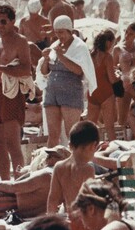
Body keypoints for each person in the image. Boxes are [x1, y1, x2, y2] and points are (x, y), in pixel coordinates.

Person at [0, 5, 32, 180]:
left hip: (11, 94)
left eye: (3, 21)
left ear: (12, 21)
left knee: (12, 143)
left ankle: (19, 182)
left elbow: (26, 69)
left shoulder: (20, 41)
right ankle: (4, 183)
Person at [0, 145, 70, 219]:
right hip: (17, 211)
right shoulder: (64, 181)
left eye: (54, 156)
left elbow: (15, 187)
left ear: (62, 160)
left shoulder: (47, 174)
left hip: (8, 201)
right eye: (49, 155)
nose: (49, 158)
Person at [40, 15, 96, 147]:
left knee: (72, 133)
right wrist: (46, 59)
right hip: (52, 91)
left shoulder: (79, 47)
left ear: (69, 31)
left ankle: (75, 163)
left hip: (70, 91)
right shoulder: (55, 45)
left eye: (62, 32)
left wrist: (61, 56)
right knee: (53, 135)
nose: (59, 35)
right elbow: (44, 71)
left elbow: (78, 70)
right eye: (57, 32)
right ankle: (52, 162)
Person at [47, 121, 99, 230]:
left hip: (70, 222)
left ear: (70, 145)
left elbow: (53, 199)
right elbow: (90, 201)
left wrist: (50, 225)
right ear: (93, 146)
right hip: (85, 224)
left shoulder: (59, 167)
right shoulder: (88, 169)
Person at [87, 30, 117, 141]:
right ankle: (114, 152)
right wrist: (120, 76)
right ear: (108, 42)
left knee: (90, 127)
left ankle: (88, 152)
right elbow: (112, 79)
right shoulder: (107, 57)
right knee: (110, 128)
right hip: (106, 93)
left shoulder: (90, 55)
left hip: (92, 92)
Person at [114, 21, 135, 133]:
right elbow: (112, 67)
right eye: (126, 32)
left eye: (131, 34)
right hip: (124, 85)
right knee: (121, 119)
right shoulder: (118, 49)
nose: (126, 35)